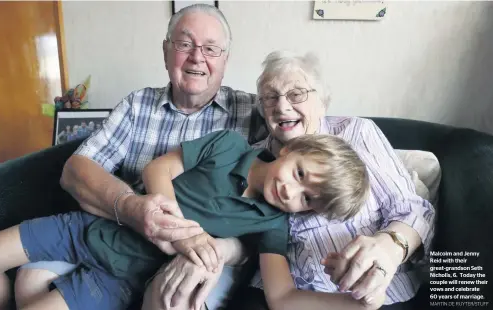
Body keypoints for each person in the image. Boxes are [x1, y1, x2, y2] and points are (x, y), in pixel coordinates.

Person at [0, 4, 255, 310]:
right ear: (166, 51)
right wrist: (130, 207)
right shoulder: (139, 104)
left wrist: (220, 247)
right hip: (115, 232)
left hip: (183, 257)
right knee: (27, 281)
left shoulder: (251, 114)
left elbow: (299, 158)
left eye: (211, 48)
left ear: (226, 60)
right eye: (184, 44)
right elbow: (76, 170)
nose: (197, 56)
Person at [143, 51, 435, 310]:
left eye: (296, 94)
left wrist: (388, 247)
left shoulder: (356, 132)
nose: (281, 107)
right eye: (270, 97)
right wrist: (207, 250)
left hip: (370, 291)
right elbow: (233, 226)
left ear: (322, 102)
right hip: (280, 290)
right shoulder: (253, 159)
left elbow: (414, 209)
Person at [0, 130, 371, 310]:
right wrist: (182, 232)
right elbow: (158, 170)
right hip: (85, 230)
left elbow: (282, 296)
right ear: (291, 148)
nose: (291, 192)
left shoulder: (272, 224)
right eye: (300, 174)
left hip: (120, 280)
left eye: (307, 201)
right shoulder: (229, 145)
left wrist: (356, 304)